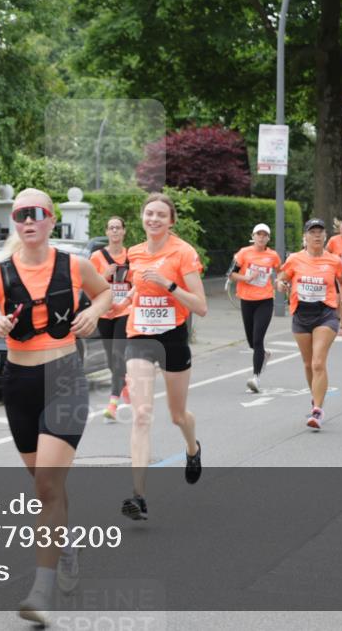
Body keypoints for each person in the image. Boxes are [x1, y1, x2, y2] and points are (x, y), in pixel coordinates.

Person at [0, 188, 111, 625]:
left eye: (36, 213)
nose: (28, 220)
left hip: (64, 377)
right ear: (14, 222)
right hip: (18, 383)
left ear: (50, 220)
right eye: (21, 214)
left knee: (46, 484)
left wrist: (94, 313)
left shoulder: (74, 265)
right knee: (45, 485)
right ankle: (66, 542)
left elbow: (105, 293)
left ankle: (41, 591)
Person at [120, 193, 207, 523]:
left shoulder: (183, 252)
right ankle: (138, 495)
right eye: (149, 213)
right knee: (141, 414)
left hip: (172, 337)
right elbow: (138, 287)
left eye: (160, 215)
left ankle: (192, 448)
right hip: (139, 336)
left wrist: (169, 285)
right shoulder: (134, 252)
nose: (154, 219)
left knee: (177, 415)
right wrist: (123, 300)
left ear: (171, 221)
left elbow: (200, 306)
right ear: (142, 218)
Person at [276, 218, 342, 431]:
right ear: (305, 237)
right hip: (301, 314)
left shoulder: (334, 260)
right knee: (308, 364)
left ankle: (317, 410)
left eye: (320, 232)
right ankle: (315, 397)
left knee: (318, 362)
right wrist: (281, 284)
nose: (317, 235)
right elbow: (281, 277)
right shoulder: (294, 259)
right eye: (312, 232)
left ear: (325, 236)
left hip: (325, 314)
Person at [230, 223, 281, 393]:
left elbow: (281, 272)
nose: (261, 237)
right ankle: (264, 355)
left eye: (265, 235)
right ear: (253, 236)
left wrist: (279, 281)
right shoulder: (243, 253)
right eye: (258, 234)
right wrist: (247, 278)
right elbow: (231, 274)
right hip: (246, 300)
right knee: (252, 341)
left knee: (258, 339)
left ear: (268, 238)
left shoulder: (273, 256)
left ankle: (256, 378)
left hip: (265, 301)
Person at [90, 216, 131, 422]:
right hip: (104, 312)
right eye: (111, 228)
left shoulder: (131, 256)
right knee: (110, 359)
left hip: (124, 311)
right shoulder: (97, 257)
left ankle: (112, 404)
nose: (115, 231)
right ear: (106, 232)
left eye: (118, 228)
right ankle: (124, 384)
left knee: (117, 355)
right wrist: (104, 274)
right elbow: (89, 285)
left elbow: (137, 284)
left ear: (124, 231)